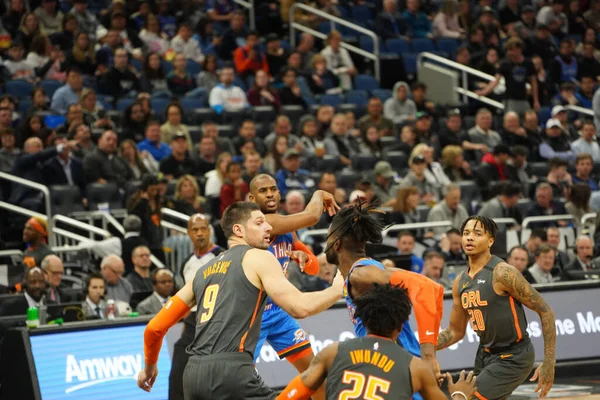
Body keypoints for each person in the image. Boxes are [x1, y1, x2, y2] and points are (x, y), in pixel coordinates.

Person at [137, 202, 344, 398]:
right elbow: (301, 308)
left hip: (193, 374)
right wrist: (337, 289)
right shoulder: (258, 257)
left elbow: (154, 328)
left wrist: (149, 367)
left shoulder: (202, 272)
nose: (269, 227)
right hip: (232, 371)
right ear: (238, 230)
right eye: (259, 222)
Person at [276, 284, 477, 400]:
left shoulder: (332, 352)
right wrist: (460, 394)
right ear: (401, 326)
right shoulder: (416, 368)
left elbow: (293, 394)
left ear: (362, 319)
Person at [436, 216, 556, 400]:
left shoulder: (503, 273)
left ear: (490, 240)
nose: (469, 238)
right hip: (485, 354)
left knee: (466, 397)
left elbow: (545, 311)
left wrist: (549, 361)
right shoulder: (460, 281)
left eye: (477, 234)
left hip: (514, 356)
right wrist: (426, 348)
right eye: (466, 233)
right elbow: (455, 331)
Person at [323, 203, 445, 379]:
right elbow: (436, 290)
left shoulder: (361, 274)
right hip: (397, 369)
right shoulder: (363, 271)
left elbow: (427, 288)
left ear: (336, 244)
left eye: (327, 237)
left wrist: (428, 356)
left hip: (400, 373)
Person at [248, 174, 339, 399]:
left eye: (273, 189)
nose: (269, 193)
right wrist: (318, 194)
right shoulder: (264, 223)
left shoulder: (287, 228)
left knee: (316, 376)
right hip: (251, 317)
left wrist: (302, 257)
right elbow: (311, 217)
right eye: (263, 190)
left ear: (279, 193)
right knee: (241, 385)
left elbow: (315, 268)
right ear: (251, 197)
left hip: (278, 312)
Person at [169, 214, 225, 400]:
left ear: (209, 231)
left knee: (219, 378)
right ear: (188, 233)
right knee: (178, 371)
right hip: (193, 322)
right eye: (195, 230)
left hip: (219, 321)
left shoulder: (223, 256)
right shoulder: (186, 264)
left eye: (203, 229)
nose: (200, 233)